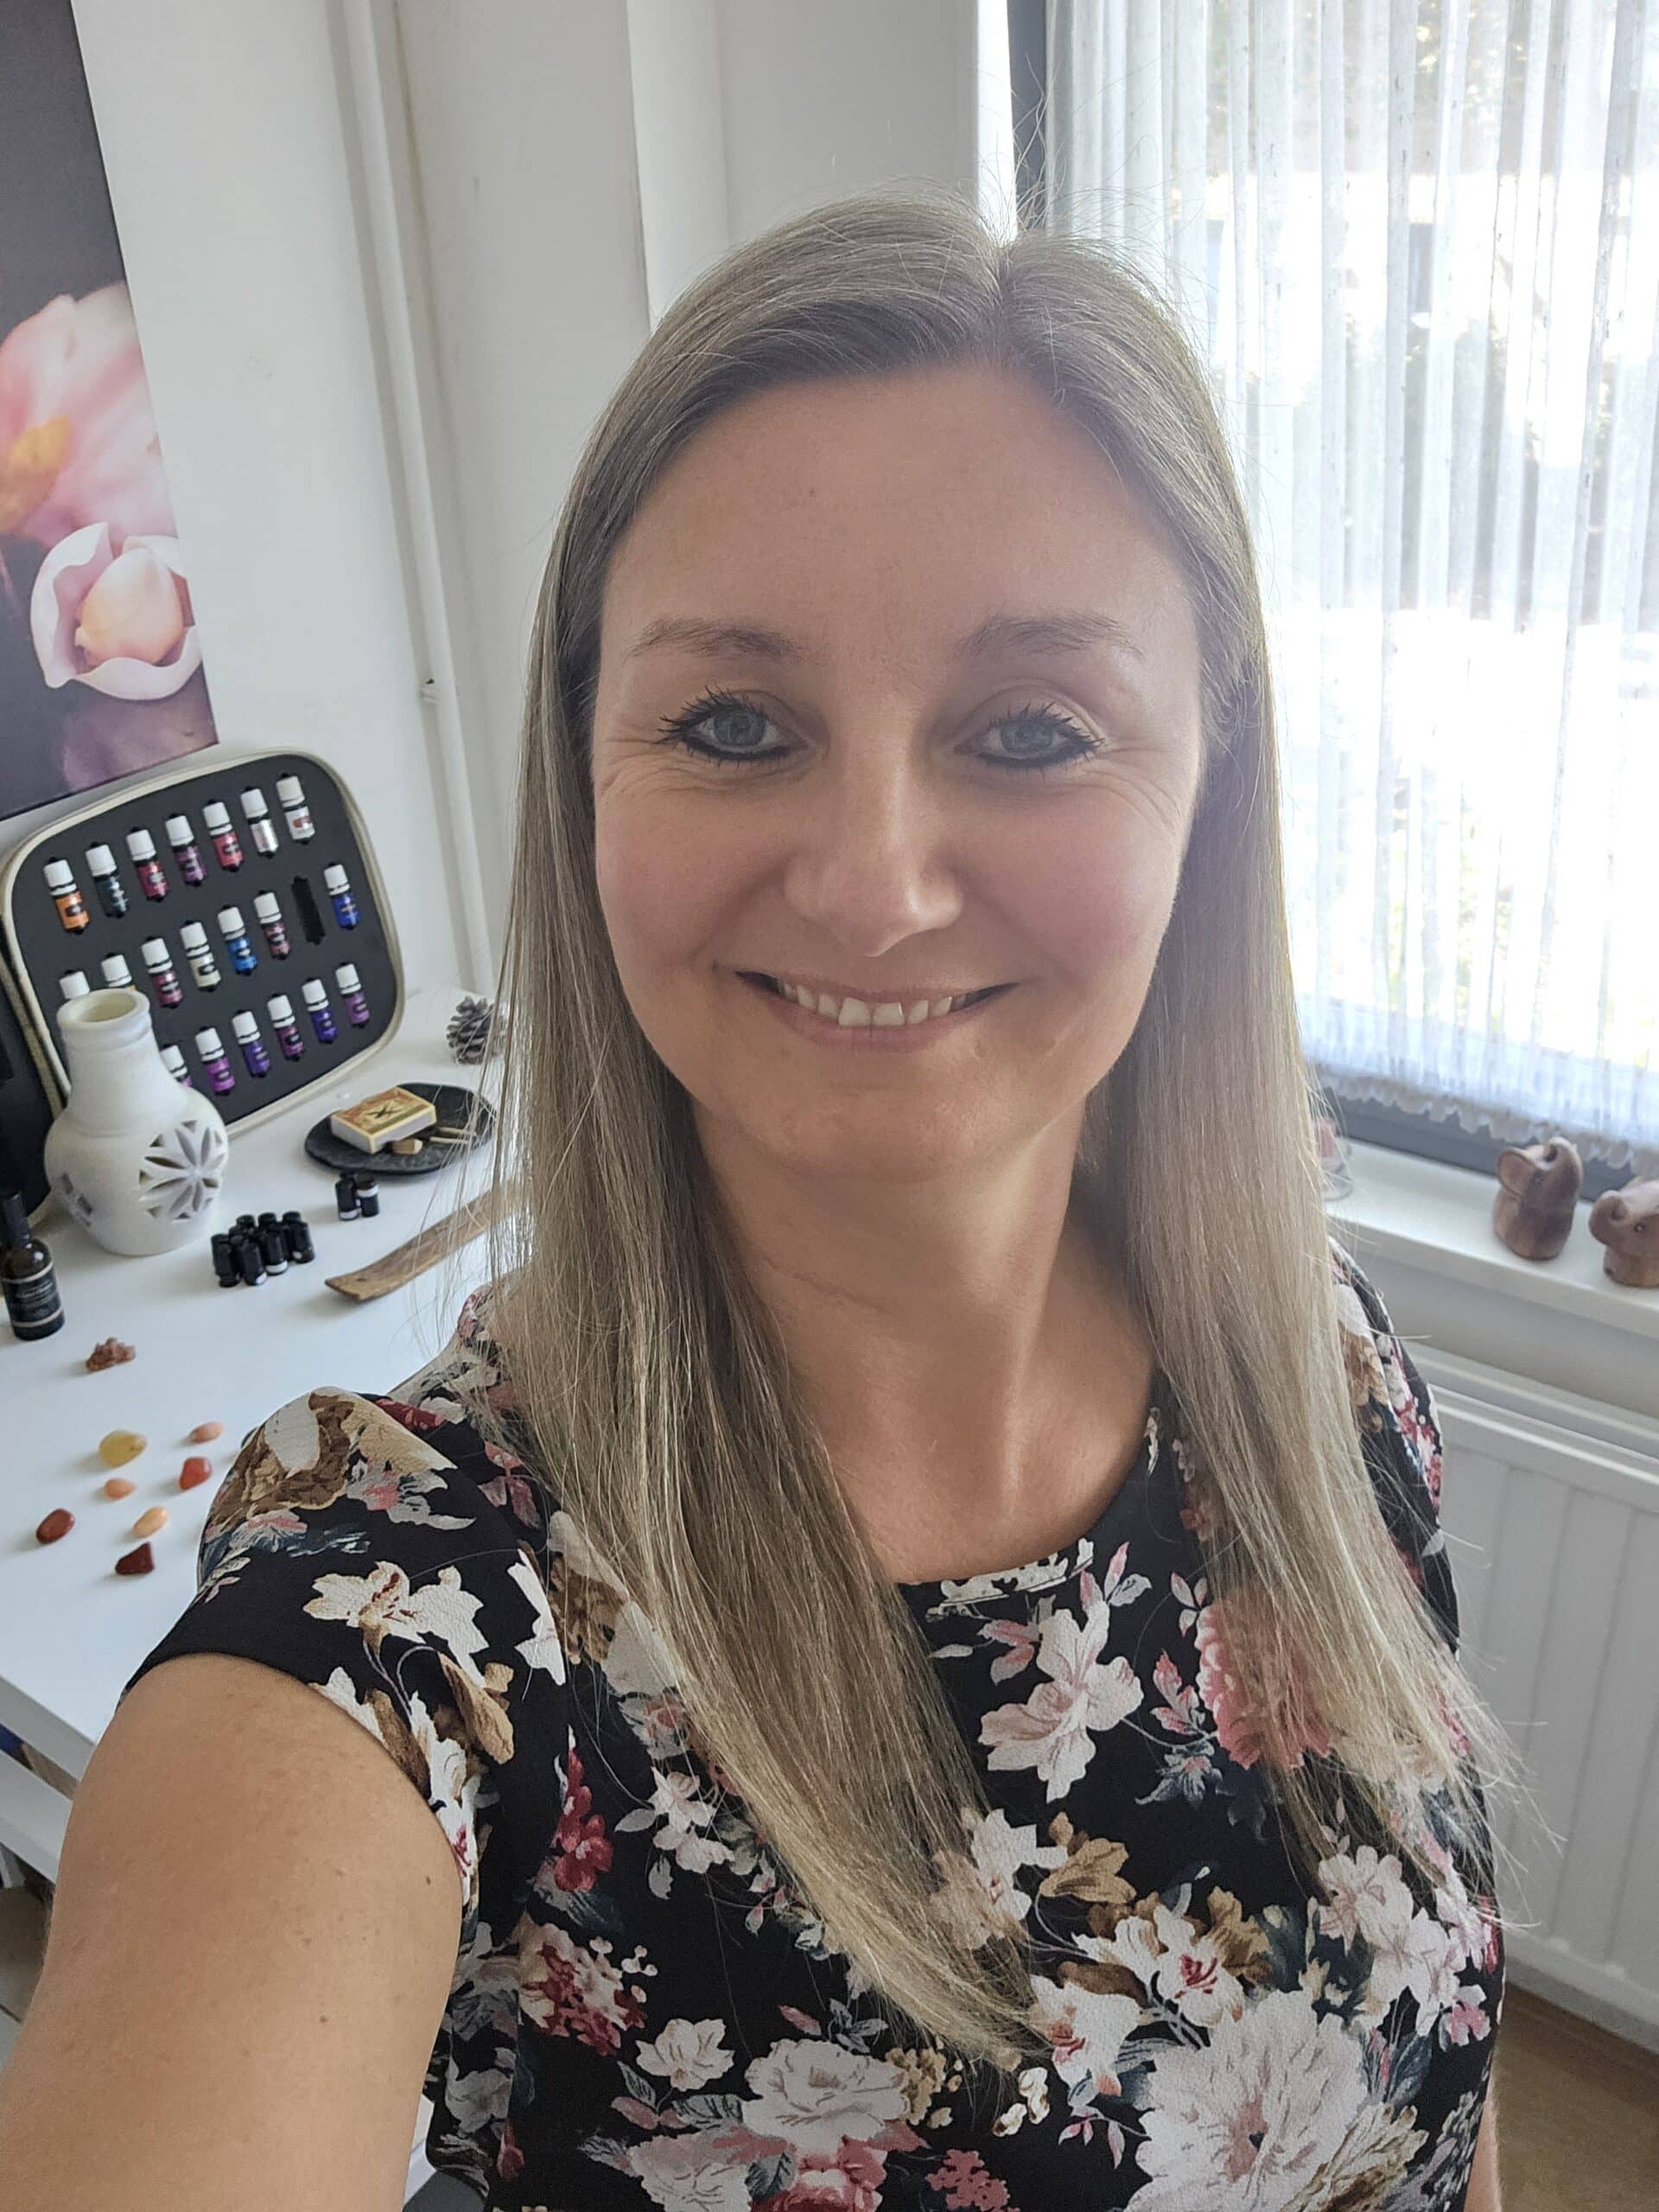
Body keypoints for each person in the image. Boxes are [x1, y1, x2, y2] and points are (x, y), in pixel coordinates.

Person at [1, 186, 1516, 2210]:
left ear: (1213, 787)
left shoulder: (1317, 1358)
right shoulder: (420, 1609)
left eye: (1033, 729)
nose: (873, 882)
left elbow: (1442, 2064)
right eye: (732, 724)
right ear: (586, 775)